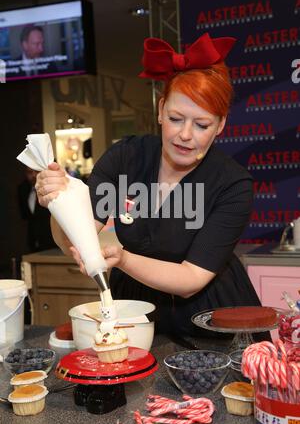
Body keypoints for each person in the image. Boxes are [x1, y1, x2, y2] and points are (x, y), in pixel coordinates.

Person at [35, 33, 263, 338]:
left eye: (202, 125)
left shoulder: (232, 184)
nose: (185, 134)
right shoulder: (126, 158)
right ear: (160, 110)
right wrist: (59, 202)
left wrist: (124, 259)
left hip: (211, 317)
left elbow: (191, 278)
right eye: (176, 118)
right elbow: (78, 235)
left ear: (220, 125)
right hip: (136, 311)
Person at [17, 167, 57, 253]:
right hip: (33, 240)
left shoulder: (52, 189)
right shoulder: (22, 189)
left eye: (37, 171)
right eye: (30, 172)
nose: (34, 175)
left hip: (53, 240)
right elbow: (25, 215)